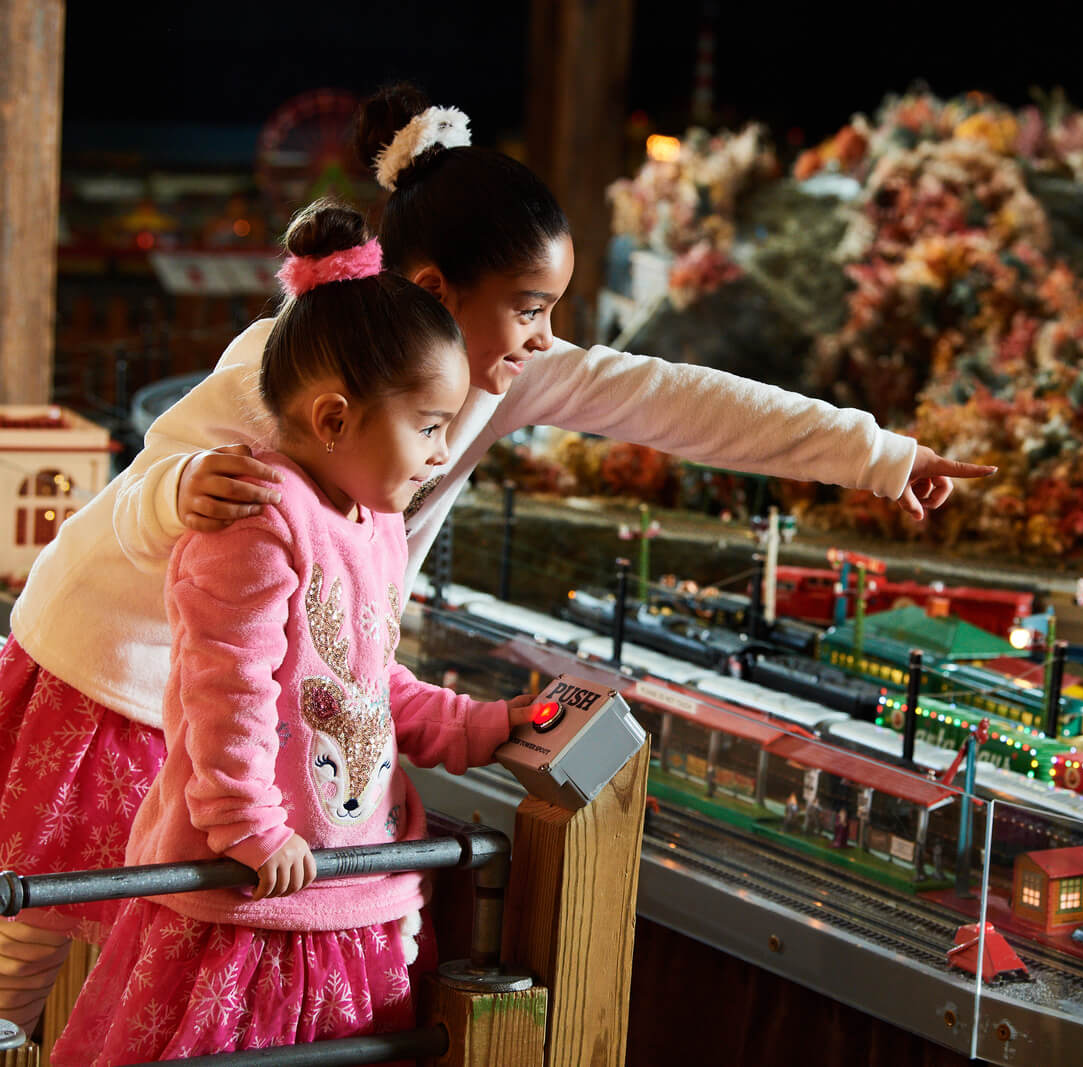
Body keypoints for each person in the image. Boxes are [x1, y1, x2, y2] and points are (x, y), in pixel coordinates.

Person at [0, 84, 993, 1030]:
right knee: (32, 936)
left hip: (252, 702)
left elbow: (678, 398)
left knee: (153, 923)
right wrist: (180, 489)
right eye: (528, 306)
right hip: (116, 666)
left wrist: (880, 456)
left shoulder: (506, 370)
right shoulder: (300, 358)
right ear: (434, 289)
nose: (546, 336)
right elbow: (140, 489)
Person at [50, 201, 539, 1063]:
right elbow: (223, 683)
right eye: (427, 427)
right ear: (334, 418)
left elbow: (362, 679)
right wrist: (246, 821)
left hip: (348, 880)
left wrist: (474, 726)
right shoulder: (259, 513)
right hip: (251, 890)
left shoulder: (377, 522)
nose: (439, 452)